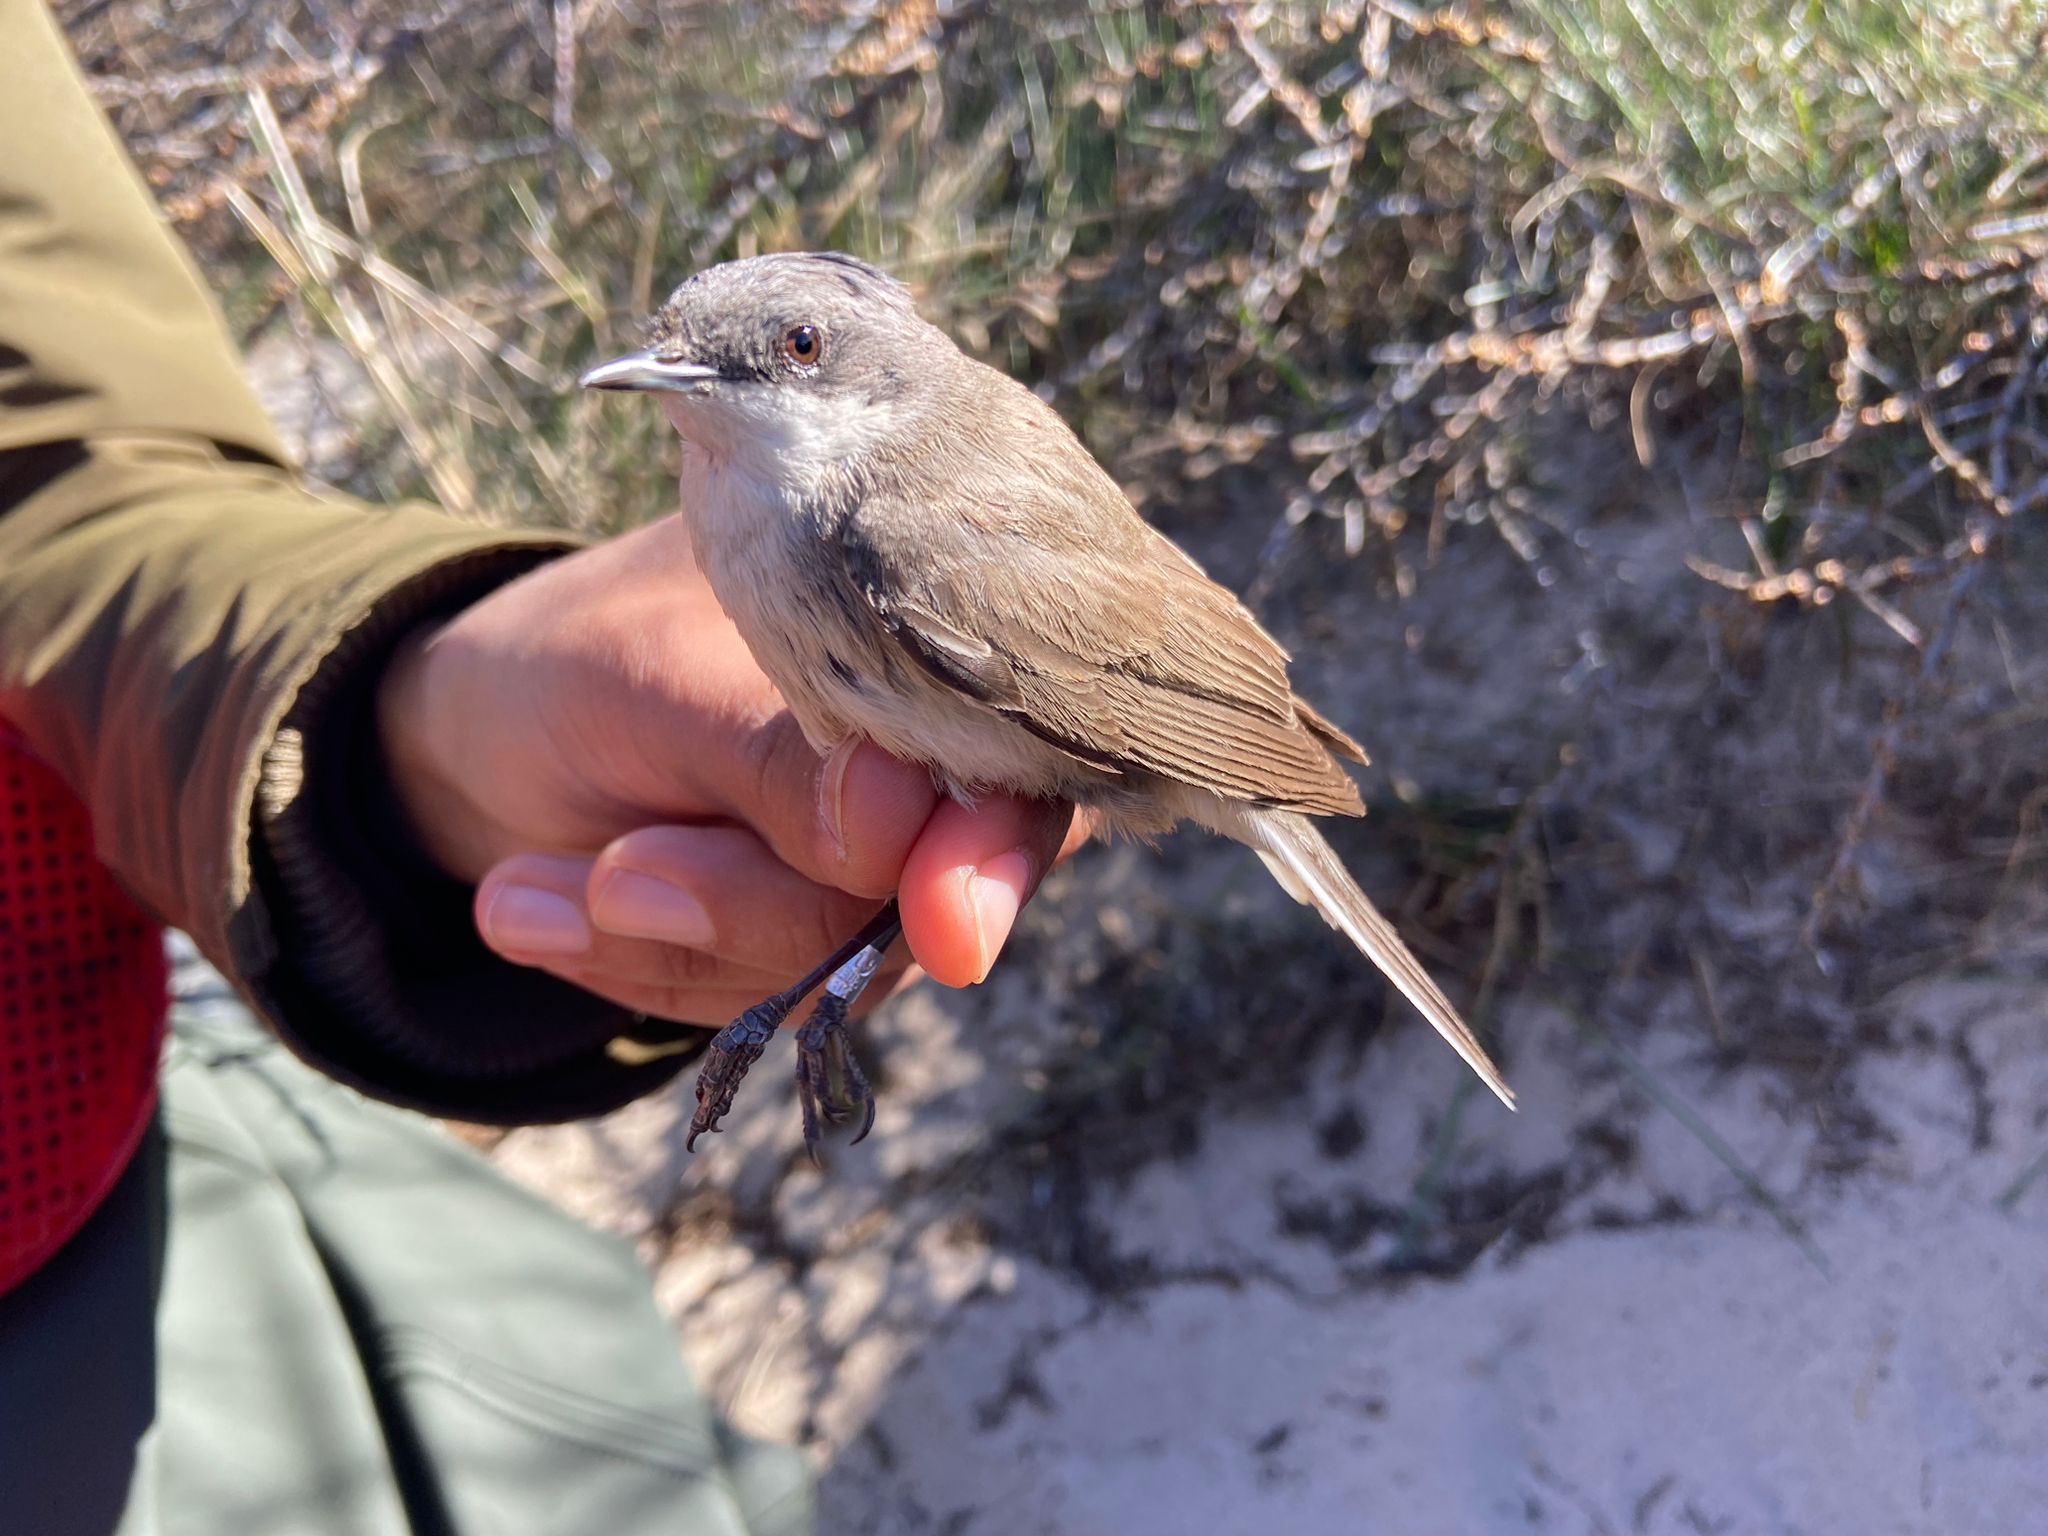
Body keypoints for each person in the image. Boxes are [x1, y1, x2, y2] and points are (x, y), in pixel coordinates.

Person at [0, 4, 1075, 1532]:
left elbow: (59, 476)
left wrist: (384, 720)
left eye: (776, 354)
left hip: (70, 1216)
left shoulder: (867, 503)